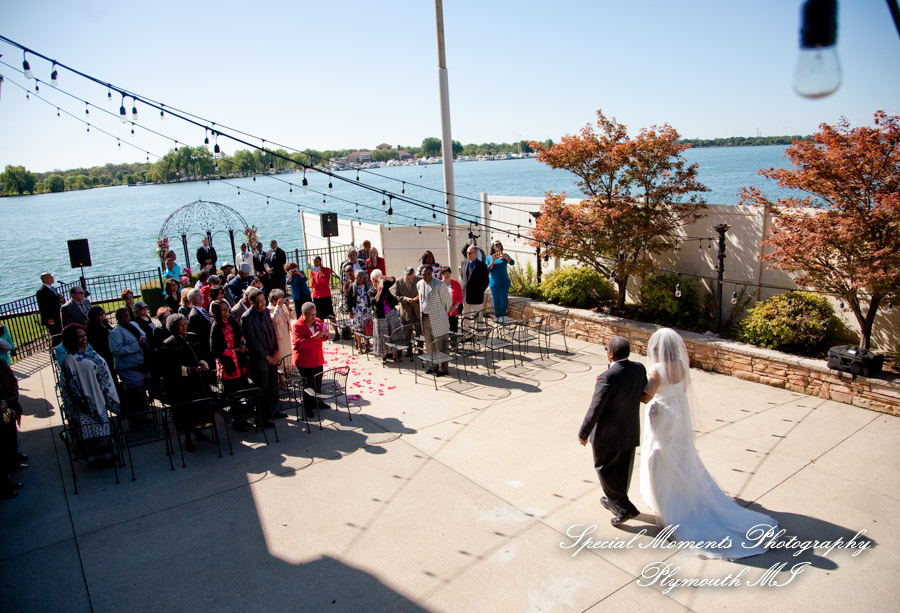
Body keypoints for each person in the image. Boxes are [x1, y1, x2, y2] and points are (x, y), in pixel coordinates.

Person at [639, 328, 777, 558]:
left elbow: (647, 396)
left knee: (659, 456)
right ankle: (688, 492)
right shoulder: (682, 366)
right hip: (679, 413)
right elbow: (681, 389)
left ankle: (670, 503)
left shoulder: (656, 370)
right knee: (681, 456)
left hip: (662, 414)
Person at [577, 336, 648, 526]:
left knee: (605, 469)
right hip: (630, 429)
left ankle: (625, 508)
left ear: (610, 354)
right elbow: (641, 393)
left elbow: (596, 408)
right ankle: (614, 501)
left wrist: (583, 433)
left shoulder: (607, 377)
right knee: (623, 470)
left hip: (607, 435)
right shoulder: (639, 368)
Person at [59, 324, 120, 464]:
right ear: (71, 339)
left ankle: (107, 453)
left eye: (84, 336)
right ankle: (96, 458)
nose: (83, 339)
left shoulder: (89, 351)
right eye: (79, 337)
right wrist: (81, 400)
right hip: (86, 401)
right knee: (91, 430)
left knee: (103, 427)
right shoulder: (70, 359)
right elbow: (70, 382)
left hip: (99, 396)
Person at [161, 314, 213, 452]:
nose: (185, 327)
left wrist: (202, 363)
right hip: (182, 385)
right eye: (181, 325)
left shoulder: (192, 337)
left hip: (198, 381)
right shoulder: (168, 344)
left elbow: (201, 352)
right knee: (186, 413)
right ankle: (188, 438)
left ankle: (199, 431)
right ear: (174, 327)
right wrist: (189, 369)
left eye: (185, 324)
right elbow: (170, 366)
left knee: (200, 408)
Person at [241, 287, 283, 427]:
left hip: (272, 354)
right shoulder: (247, 317)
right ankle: (262, 417)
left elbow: (272, 331)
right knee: (262, 389)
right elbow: (252, 342)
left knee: (273, 385)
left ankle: (273, 410)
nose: (262, 303)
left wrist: (276, 351)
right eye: (258, 301)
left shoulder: (265, 311)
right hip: (260, 359)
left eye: (263, 300)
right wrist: (267, 357)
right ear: (252, 302)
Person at [109, 308, 151, 416]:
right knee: (136, 394)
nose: (125, 319)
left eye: (127, 316)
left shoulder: (134, 324)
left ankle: (145, 414)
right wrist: (137, 345)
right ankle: (137, 418)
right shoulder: (115, 333)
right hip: (129, 368)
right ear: (118, 319)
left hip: (142, 365)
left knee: (143, 393)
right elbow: (116, 350)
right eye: (122, 317)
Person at [291, 302, 329, 418]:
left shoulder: (317, 322)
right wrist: (314, 337)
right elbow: (297, 344)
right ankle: (308, 407)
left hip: (317, 358)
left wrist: (325, 335)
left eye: (314, 314)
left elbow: (322, 338)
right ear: (303, 314)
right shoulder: (298, 326)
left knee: (318, 381)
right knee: (308, 384)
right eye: (310, 314)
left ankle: (318, 401)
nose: (313, 317)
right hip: (305, 361)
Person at [417, 265, 452, 376]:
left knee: (441, 345)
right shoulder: (419, 284)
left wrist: (441, 313)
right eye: (424, 274)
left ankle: (443, 368)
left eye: (428, 274)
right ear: (421, 275)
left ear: (432, 273)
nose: (426, 276)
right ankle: (433, 366)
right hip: (425, 318)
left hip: (439, 318)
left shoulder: (439, 285)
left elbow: (447, 302)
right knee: (429, 344)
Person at [1, 358, 26, 498]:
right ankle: (5, 486)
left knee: (10, 440)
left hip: (9, 408)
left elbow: (13, 381)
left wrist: (12, 399)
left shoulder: (1, 364)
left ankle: (11, 469)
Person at [369, 270, 401, 363]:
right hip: (380, 316)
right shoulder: (370, 291)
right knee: (383, 337)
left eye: (378, 280)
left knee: (394, 335)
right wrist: (378, 292)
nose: (377, 282)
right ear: (372, 280)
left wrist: (385, 278)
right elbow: (373, 302)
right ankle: (384, 357)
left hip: (391, 312)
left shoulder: (384, 285)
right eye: (375, 280)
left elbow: (393, 280)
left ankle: (395, 355)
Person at [391, 266, 422, 357]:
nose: (410, 280)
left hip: (417, 309)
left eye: (412, 278)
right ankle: (409, 350)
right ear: (405, 275)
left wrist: (418, 298)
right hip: (406, 311)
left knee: (419, 330)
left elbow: (425, 292)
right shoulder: (398, 282)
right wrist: (405, 299)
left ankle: (420, 349)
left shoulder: (420, 280)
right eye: (408, 278)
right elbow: (395, 295)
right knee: (406, 332)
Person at [267, 289, 295, 376]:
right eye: (278, 299)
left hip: (286, 334)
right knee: (281, 358)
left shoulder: (283, 306)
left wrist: (288, 307)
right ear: (272, 300)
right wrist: (278, 307)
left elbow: (293, 316)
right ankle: (281, 377)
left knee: (288, 356)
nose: (281, 300)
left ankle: (288, 373)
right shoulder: (269, 309)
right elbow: (274, 320)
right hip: (279, 337)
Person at [344, 270, 373, 352]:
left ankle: (367, 344)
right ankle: (360, 345)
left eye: (360, 277)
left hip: (366, 310)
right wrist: (350, 311)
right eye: (357, 277)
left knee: (367, 327)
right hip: (356, 311)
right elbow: (349, 300)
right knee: (357, 328)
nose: (358, 279)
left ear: (364, 277)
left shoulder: (368, 285)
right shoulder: (352, 286)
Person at [485, 240, 515, 317]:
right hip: (494, 283)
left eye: (499, 244)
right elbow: (488, 269)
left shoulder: (505, 256)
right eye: (496, 245)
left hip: (504, 282)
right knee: (496, 302)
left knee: (503, 301)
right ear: (493, 247)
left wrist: (505, 256)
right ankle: (497, 317)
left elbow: (512, 263)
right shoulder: (489, 258)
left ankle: (503, 317)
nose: (498, 246)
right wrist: (493, 260)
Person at [460, 244, 489, 314]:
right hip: (465, 295)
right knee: (466, 316)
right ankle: (467, 326)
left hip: (476, 296)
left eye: (470, 253)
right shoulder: (463, 263)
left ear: (476, 254)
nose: (468, 254)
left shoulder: (482, 266)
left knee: (478, 317)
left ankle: (479, 325)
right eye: (467, 253)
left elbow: (486, 281)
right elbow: (463, 277)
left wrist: (480, 290)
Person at [187, 288, 213, 365]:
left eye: (201, 294)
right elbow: (200, 335)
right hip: (206, 349)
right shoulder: (194, 315)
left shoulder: (202, 310)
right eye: (198, 296)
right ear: (191, 299)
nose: (201, 297)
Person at [36, 272, 63, 346]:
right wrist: (47, 318)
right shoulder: (41, 291)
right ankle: (55, 353)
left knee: (61, 333)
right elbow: (43, 306)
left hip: (58, 314)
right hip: (52, 318)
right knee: (56, 336)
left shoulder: (52, 288)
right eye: (50, 277)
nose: (52, 278)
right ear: (44, 279)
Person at [85, 306, 114, 374]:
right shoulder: (93, 329)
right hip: (103, 353)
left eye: (103, 313)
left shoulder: (105, 324)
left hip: (111, 351)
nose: (102, 315)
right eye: (99, 314)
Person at [309, 256, 334, 322]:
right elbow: (313, 285)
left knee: (330, 314)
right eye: (314, 262)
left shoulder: (326, 270)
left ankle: (336, 331)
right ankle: (324, 330)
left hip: (325, 295)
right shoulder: (312, 272)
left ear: (320, 262)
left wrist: (321, 274)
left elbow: (326, 283)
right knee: (321, 316)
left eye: (317, 262)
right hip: (317, 296)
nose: (316, 264)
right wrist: (313, 278)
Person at [441, 267, 463, 333]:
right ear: (442, 274)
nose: (447, 275)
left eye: (448, 273)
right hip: (442, 312)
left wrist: (455, 307)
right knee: (443, 330)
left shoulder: (456, 284)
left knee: (453, 330)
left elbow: (460, 297)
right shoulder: (438, 284)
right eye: (445, 273)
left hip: (453, 310)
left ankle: (454, 343)